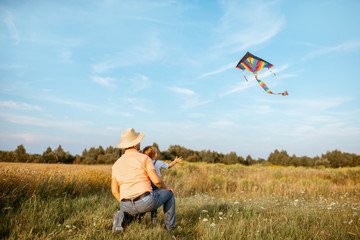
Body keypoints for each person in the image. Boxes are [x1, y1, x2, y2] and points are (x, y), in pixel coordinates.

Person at [111, 128, 176, 232]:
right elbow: (157, 181)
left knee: (131, 210)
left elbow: (114, 190)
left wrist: (129, 204)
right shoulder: (144, 158)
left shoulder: (116, 164)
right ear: (136, 142)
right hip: (145, 200)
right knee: (169, 194)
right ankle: (169, 228)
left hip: (125, 204)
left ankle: (124, 216)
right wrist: (166, 186)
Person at [138, 146, 183, 224]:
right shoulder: (158, 162)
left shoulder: (143, 163)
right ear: (154, 155)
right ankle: (154, 221)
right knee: (154, 202)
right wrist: (175, 161)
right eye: (156, 152)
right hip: (156, 185)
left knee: (145, 201)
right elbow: (168, 166)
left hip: (146, 185)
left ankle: (139, 219)